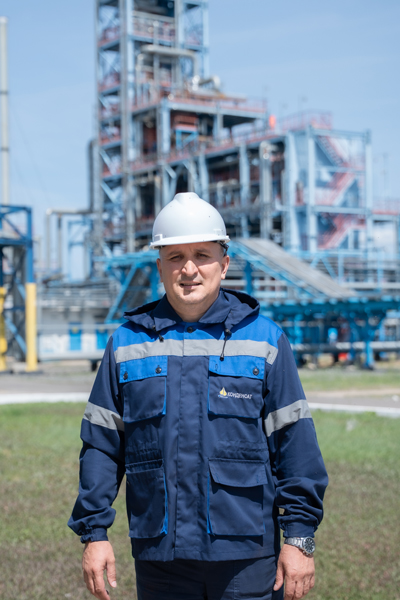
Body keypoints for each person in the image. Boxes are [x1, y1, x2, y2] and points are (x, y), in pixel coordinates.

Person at [68, 192, 328, 600]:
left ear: (224, 265)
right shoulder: (127, 344)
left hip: (246, 556)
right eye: (175, 257)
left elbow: (295, 445)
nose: (189, 269)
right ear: (160, 267)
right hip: (161, 557)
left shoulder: (264, 341)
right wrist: (94, 533)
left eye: (202, 255)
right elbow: (101, 446)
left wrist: (299, 537)